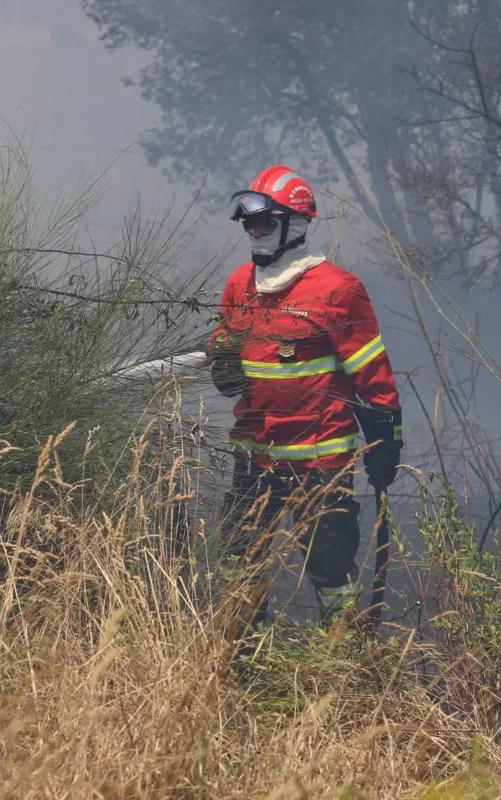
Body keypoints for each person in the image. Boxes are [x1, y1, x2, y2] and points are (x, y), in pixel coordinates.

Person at [207, 165, 403, 634]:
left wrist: (385, 443)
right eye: (249, 224)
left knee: (330, 571)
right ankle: (242, 662)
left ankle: (343, 665)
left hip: (319, 462)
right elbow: (226, 373)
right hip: (253, 457)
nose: (254, 232)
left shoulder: (338, 289)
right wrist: (224, 363)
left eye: (264, 223)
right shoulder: (240, 285)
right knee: (239, 567)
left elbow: (373, 375)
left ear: (295, 225)